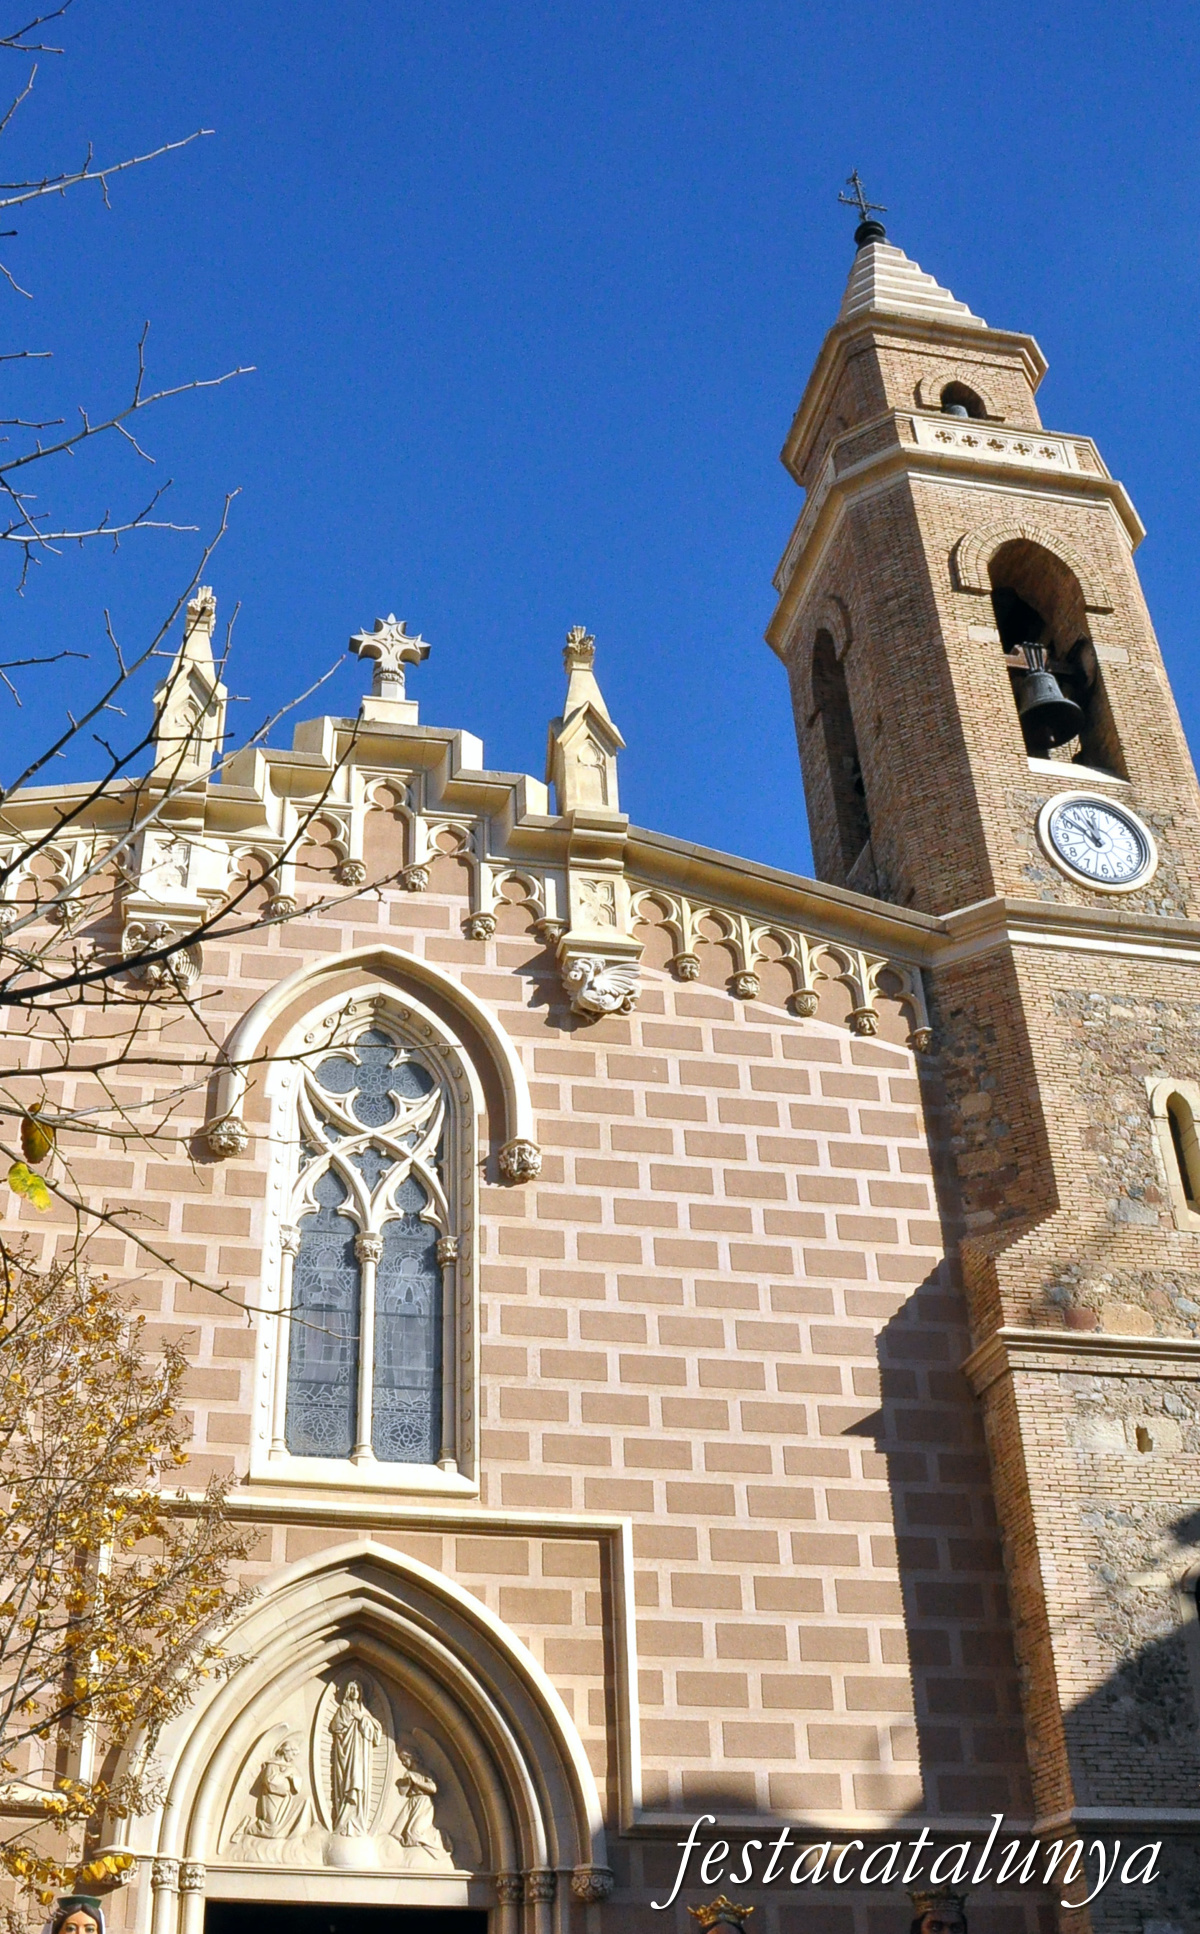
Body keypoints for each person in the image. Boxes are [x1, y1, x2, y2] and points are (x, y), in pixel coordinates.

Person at [328, 1679, 382, 1835]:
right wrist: (348, 1719)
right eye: (351, 1689)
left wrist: (361, 1718)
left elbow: (374, 1729)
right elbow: (335, 1726)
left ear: (360, 1693)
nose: (353, 1692)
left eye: (356, 1689)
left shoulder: (364, 1712)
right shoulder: (343, 1709)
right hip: (346, 1752)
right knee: (347, 1782)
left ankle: (358, 1822)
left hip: (361, 1754)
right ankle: (344, 1820)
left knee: (358, 1782)